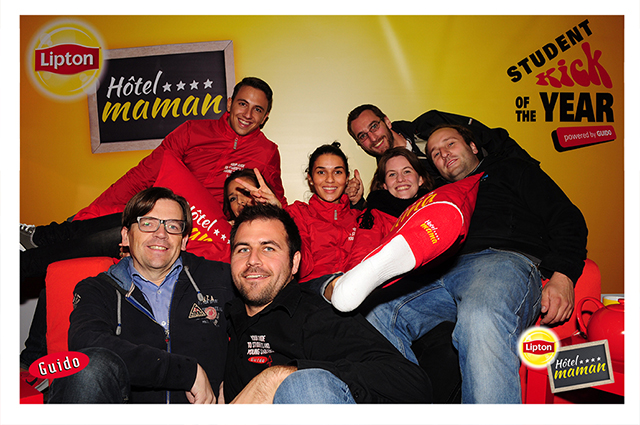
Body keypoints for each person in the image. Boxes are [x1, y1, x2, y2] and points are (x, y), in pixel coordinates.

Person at [333, 123, 588, 403]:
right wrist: (359, 204)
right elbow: (393, 207)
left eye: (450, 144)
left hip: (501, 262)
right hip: (441, 271)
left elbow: (567, 218)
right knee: (373, 314)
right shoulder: (437, 195)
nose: (443, 153)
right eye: (435, 153)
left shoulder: (512, 169)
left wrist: (563, 275)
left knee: (481, 316)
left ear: (473, 146)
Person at [21, 76, 286, 279]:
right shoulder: (193, 131)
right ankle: (39, 237)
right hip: (164, 213)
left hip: (204, 233)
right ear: (229, 103)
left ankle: (22, 264)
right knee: (106, 219)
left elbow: (277, 205)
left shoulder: (267, 152)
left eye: (257, 110)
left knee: (117, 234)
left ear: (265, 117)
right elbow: (144, 174)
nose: (247, 115)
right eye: (242, 104)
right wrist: (93, 209)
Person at [222, 203, 432, 404]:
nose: (253, 260)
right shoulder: (224, 318)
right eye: (243, 249)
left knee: (301, 384)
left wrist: (279, 377)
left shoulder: (314, 316)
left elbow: (412, 384)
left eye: (268, 248)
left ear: (294, 262)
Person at [47, 187, 236, 403]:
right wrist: (185, 372)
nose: (161, 234)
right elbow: (86, 345)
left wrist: (236, 381)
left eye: (173, 226)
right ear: (126, 236)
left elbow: (257, 330)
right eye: (148, 223)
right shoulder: (97, 290)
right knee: (87, 367)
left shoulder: (221, 279)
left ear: (184, 241)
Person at [346, 104, 538, 186]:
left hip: (507, 182)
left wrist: (529, 172)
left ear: (387, 122)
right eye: (363, 136)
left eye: (374, 126)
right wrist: (355, 202)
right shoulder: (388, 181)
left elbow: (490, 137)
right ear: (359, 144)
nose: (373, 138)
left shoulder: (430, 123)